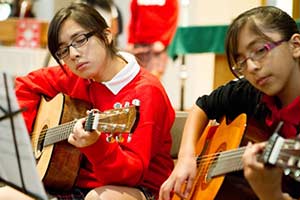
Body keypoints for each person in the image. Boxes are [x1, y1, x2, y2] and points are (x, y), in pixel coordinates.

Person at [0, 2, 175, 200]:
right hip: (69, 185)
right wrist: (28, 142)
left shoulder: (145, 92)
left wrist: (96, 145)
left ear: (107, 35)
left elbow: (130, 175)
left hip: (135, 189)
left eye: (80, 40)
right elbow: (27, 85)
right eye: (63, 51)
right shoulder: (76, 76)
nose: (73, 54)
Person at [159, 6, 300, 200]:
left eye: (260, 50)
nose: (251, 66)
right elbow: (203, 106)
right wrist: (186, 158)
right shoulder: (252, 92)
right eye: (241, 61)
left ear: (296, 45)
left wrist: (271, 194)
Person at [126, 0, 179, 80]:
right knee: (137, 78)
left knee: (153, 78)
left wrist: (163, 41)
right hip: (139, 44)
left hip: (157, 46)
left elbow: (172, 21)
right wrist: (130, 41)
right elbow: (133, 19)